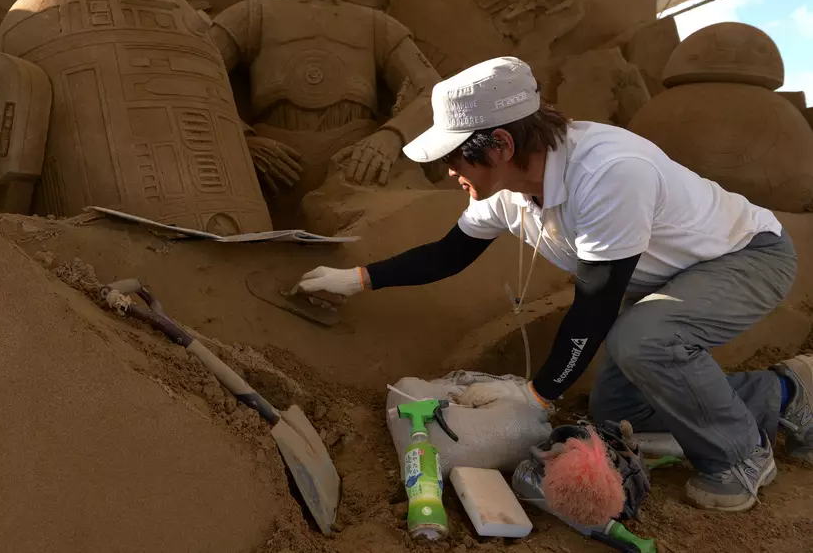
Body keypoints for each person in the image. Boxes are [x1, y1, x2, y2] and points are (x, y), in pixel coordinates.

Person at [294, 56, 813, 513]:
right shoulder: (504, 187)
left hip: (744, 257)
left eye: (454, 157)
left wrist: (537, 397)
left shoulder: (609, 171)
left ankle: (740, 458)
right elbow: (450, 254)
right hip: (659, 274)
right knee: (618, 413)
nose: (449, 171)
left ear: (499, 144)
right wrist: (357, 278)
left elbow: (595, 304)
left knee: (645, 341)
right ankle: (788, 392)